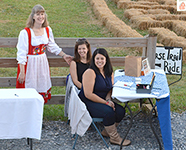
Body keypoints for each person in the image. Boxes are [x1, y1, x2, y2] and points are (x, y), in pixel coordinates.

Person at [16, 4, 73, 103]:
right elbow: (21, 53)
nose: (40, 17)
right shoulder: (25, 33)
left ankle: (38, 113)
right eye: (38, 14)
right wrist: (22, 71)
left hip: (42, 63)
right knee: (29, 87)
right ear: (33, 16)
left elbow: (52, 46)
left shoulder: (47, 30)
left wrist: (64, 55)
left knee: (41, 85)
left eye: (42, 14)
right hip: (30, 65)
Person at [78, 48, 131, 146]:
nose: (99, 61)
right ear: (94, 59)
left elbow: (109, 89)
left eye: (102, 59)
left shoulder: (109, 72)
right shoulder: (90, 72)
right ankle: (114, 138)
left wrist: (108, 99)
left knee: (120, 111)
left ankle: (106, 132)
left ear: (106, 60)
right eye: (97, 58)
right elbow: (88, 94)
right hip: (88, 102)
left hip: (102, 99)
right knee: (109, 112)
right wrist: (106, 103)